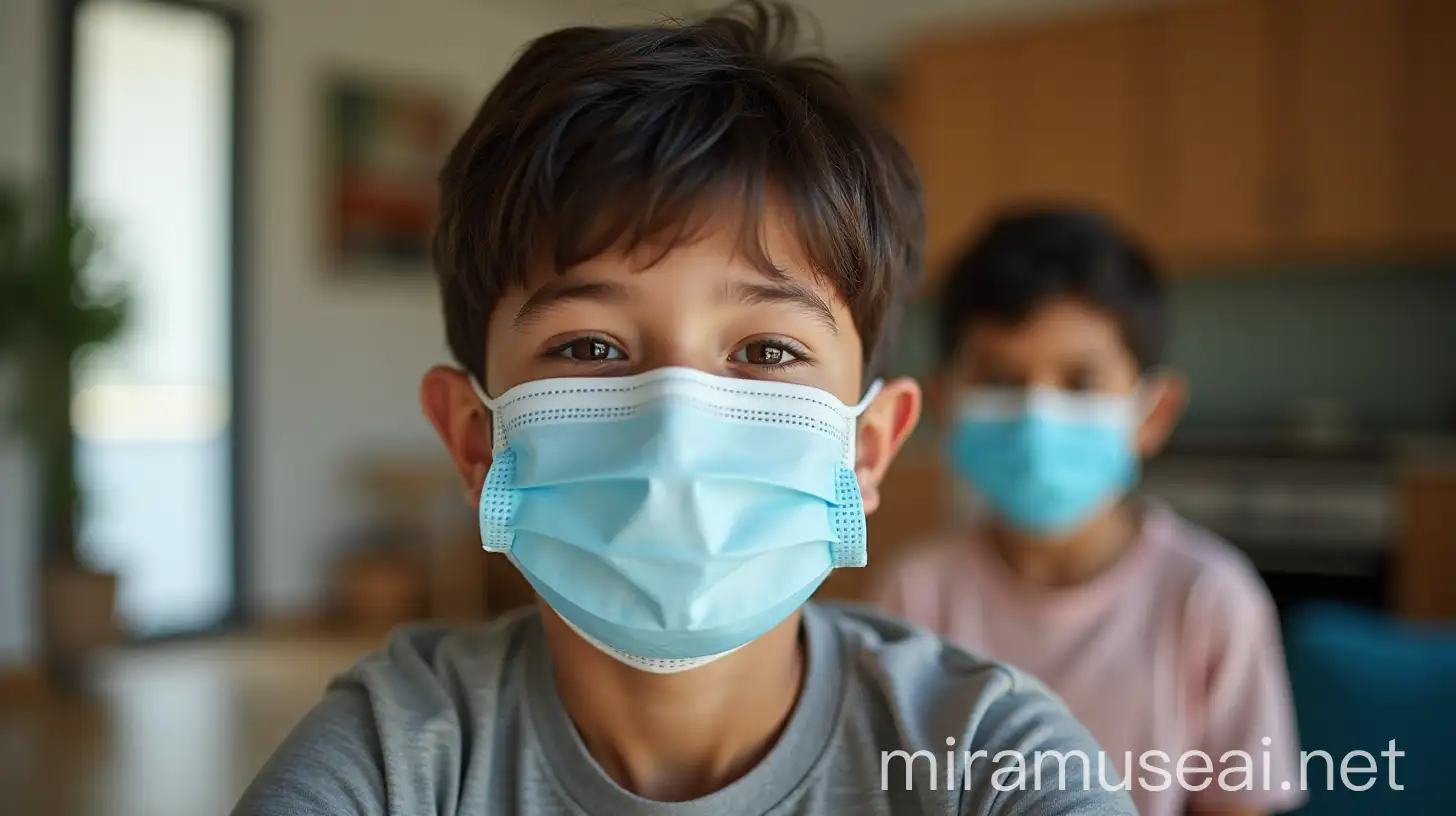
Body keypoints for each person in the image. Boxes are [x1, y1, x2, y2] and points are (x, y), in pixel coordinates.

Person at [233, 5, 1138, 815]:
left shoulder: (985, 757)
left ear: (866, 448)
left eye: (766, 351)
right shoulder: (397, 755)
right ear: (477, 439)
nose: (676, 422)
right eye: (589, 348)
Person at [871, 208, 1306, 816]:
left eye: (1081, 382)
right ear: (944, 403)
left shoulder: (1209, 600)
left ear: (1152, 413)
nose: (1037, 415)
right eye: (999, 379)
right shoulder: (916, 595)